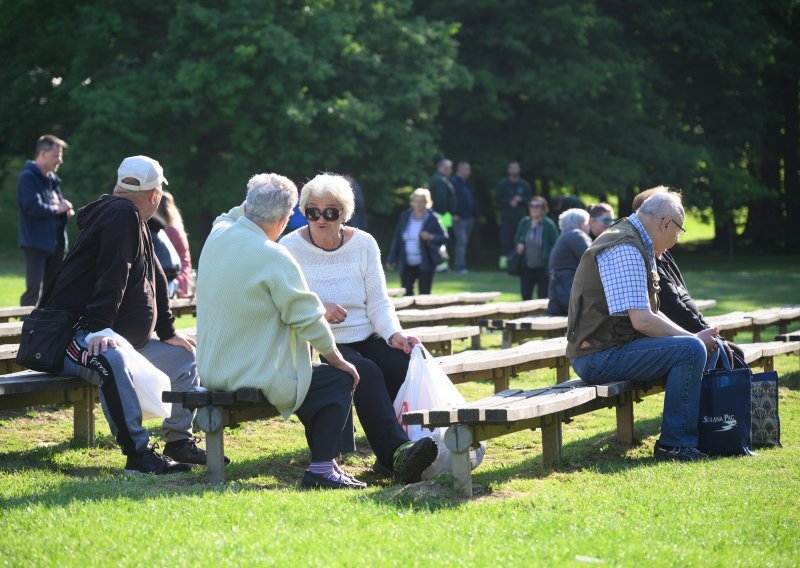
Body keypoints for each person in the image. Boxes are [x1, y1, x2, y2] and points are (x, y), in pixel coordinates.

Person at [197, 172, 367, 490]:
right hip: (248, 374)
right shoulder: (274, 256)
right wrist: (338, 359)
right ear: (288, 217)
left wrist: (259, 196)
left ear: (247, 208)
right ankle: (321, 468)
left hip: (212, 370)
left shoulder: (219, 232)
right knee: (337, 379)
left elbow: (230, 212)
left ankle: (324, 464)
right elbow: (307, 319)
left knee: (314, 381)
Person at [48, 155, 206, 475]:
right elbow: (113, 273)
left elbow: (157, 279)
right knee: (111, 359)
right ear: (154, 195)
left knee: (185, 358)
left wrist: (168, 332)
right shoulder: (122, 214)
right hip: (76, 334)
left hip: (121, 336)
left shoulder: (132, 216)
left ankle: (178, 441)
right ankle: (138, 454)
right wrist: (99, 329)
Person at [281, 174, 438, 483]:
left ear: (345, 213)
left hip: (367, 333)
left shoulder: (364, 244)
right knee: (364, 371)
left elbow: (379, 302)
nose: (321, 220)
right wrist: (318, 308)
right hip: (323, 341)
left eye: (330, 212)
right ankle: (397, 452)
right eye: (313, 211)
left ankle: (417, 447)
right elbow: (286, 302)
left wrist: (395, 334)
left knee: (403, 361)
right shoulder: (289, 247)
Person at [567, 192, 720, 462]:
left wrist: (696, 339)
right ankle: (675, 445)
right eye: (679, 232)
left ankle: (711, 432)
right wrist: (694, 338)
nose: (677, 240)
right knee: (692, 349)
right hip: (598, 356)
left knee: (705, 347)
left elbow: (648, 315)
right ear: (666, 224)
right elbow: (643, 320)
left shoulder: (636, 240)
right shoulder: (625, 247)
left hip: (612, 347)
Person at [17, 134, 75, 306]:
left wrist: (65, 210)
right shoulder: (27, 177)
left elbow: (56, 206)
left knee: (53, 290)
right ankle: (24, 329)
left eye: (61, 156)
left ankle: (45, 329)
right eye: (56, 156)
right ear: (42, 154)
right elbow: (33, 207)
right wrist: (59, 208)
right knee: (34, 290)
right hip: (35, 243)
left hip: (56, 244)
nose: (60, 160)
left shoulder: (53, 180)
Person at [386, 188, 449, 296]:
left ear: (427, 202)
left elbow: (444, 237)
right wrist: (391, 259)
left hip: (425, 262)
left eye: (422, 201)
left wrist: (430, 236)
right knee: (406, 293)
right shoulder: (405, 216)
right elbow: (397, 239)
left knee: (424, 295)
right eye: (416, 201)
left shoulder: (433, 218)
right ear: (412, 202)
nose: (419, 204)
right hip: (407, 262)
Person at [547, 208, 591, 316]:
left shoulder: (564, 236)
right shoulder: (576, 235)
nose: (588, 226)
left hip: (558, 290)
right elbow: (592, 258)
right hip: (568, 290)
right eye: (587, 223)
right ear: (581, 223)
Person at [514, 196, 559, 300]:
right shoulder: (524, 223)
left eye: (537, 206)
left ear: (544, 209)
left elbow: (556, 244)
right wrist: (519, 244)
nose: (534, 209)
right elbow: (517, 238)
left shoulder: (548, 225)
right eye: (532, 206)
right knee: (525, 295)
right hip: (527, 266)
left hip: (543, 267)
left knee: (543, 297)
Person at [157, 191, 195, 297]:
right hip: (180, 275)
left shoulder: (170, 230)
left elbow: (161, 257)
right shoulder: (173, 227)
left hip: (179, 278)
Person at [496, 161, 533, 264]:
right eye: (511, 168)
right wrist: (509, 202)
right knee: (505, 242)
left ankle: (520, 264)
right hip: (506, 218)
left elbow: (530, 200)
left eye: (515, 168)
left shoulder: (524, 184)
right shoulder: (502, 184)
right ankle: (504, 266)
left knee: (521, 241)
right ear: (508, 170)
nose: (514, 170)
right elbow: (497, 199)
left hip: (521, 219)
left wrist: (520, 200)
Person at [450, 161, 478, 274]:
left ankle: (461, 265)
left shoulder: (466, 183)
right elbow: (452, 200)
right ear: (460, 170)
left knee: (464, 243)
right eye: (467, 169)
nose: (469, 172)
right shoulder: (454, 183)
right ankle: (459, 266)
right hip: (459, 218)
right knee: (461, 242)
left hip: (469, 218)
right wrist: (455, 213)